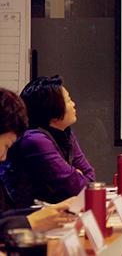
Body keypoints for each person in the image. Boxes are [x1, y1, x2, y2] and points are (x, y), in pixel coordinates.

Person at [0, 76, 95, 208]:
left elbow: (89, 179)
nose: (73, 104)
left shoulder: (65, 133)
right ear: (52, 108)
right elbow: (77, 187)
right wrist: (76, 174)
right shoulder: (35, 140)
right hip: (27, 215)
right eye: (68, 100)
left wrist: (77, 177)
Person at [0, 87, 74, 238]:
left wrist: (45, 212)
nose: (3, 157)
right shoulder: (36, 140)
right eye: (6, 146)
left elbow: (3, 215)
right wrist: (31, 222)